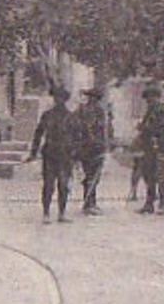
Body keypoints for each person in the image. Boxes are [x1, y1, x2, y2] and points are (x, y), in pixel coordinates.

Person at [28, 83, 76, 223]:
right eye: (56, 97)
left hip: (65, 154)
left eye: (60, 97)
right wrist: (33, 152)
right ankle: (46, 213)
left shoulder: (70, 117)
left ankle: (62, 213)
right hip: (50, 153)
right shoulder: (47, 116)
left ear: (65, 99)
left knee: (64, 185)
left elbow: (77, 136)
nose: (58, 100)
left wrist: (76, 153)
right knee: (48, 184)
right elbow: (38, 133)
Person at [136, 87, 164, 215]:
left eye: (151, 98)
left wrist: (148, 129)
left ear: (157, 98)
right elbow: (146, 127)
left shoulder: (163, 111)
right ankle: (150, 202)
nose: (149, 101)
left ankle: (162, 203)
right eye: (147, 99)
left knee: (160, 175)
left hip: (161, 147)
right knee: (148, 175)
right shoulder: (149, 112)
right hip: (149, 148)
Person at [75, 85, 110, 215]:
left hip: (84, 146)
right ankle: (89, 203)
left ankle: (89, 202)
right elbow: (100, 130)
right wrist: (103, 145)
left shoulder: (82, 109)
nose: (91, 100)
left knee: (89, 175)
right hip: (94, 147)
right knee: (93, 175)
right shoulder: (98, 111)